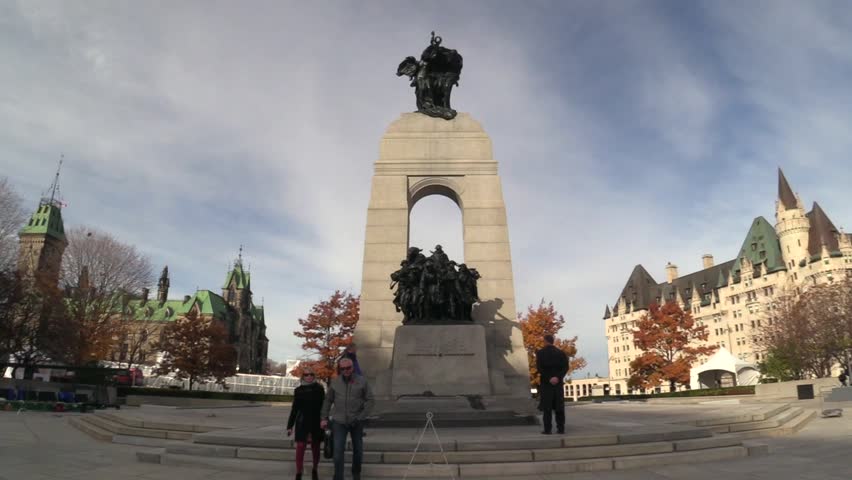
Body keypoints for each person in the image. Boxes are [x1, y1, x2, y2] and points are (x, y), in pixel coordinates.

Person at [320, 358, 374, 480]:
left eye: (348, 368)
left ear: (352, 367)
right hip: (339, 421)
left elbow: (370, 400)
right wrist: (324, 417)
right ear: (340, 369)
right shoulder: (335, 382)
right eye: (342, 368)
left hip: (357, 421)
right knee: (338, 452)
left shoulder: (362, 381)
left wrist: (361, 417)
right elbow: (328, 400)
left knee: (358, 450)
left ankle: (356, 473)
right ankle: (338, 477)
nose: (346, 370)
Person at [287, 367, 325, 480]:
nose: (309, 377)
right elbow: (295, 408)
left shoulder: (319, 388)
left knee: (316, 447)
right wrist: (290, 426)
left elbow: (323, 406)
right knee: (300, 446)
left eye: (311, 374)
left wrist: (325, 419)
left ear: (314, 376)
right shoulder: (298, 390)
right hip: (302, 421)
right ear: (302, 376)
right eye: (306, 375)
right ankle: (299, 472)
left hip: (316, 421)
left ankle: (315, 469)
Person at [535, 334, 568, 434]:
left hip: (546, 384)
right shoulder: (561, 353)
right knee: (559, 407)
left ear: (545, 341)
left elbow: (540, 368)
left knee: (547, 408)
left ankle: (547, 429)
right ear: (553, 341)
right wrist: (558, 377)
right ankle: (561, 428)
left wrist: (549, 378)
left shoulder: (540, 353)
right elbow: (565, 367)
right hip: (558, 384)